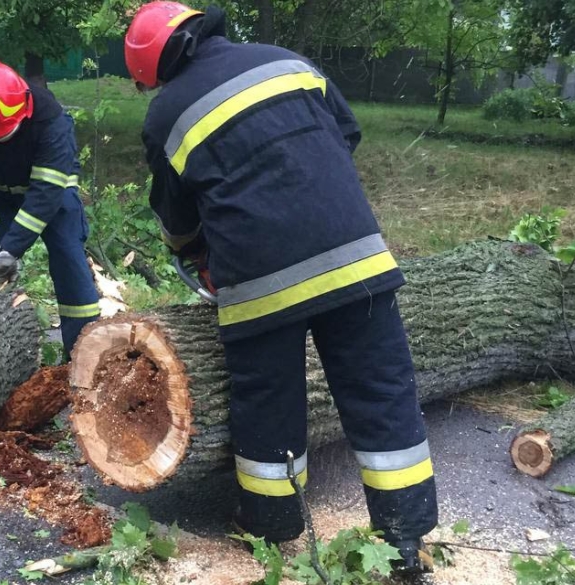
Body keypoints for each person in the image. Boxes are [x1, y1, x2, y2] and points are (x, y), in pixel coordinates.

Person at [124, 2, 438, 576]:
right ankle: (405, 537)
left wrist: (193, 252)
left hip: (261, 281)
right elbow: (346, 132)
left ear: (151, 72)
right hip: (355, 258)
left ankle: (270, 528)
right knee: (381, 391)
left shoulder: (167, 110)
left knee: (268, 398)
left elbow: (176, 216)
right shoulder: (287, 62)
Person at [0, 61, 99, 355]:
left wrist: (13, 248)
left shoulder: (51, 123)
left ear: (25, 111)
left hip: (52, 195)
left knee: (68, 255)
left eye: (3, 136)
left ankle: (82, 354)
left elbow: (45, 194)